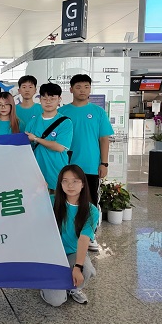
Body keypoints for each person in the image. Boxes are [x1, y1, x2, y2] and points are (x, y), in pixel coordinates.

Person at [60, 74, 114, 252]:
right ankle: (68, 235)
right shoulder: (63, 112)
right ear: (71, 89)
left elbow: (104, 139)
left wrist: (104, 163)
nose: (82, 90)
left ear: (90, 89)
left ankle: (90, 235)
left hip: (90, 165)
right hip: (68, 165)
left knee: (90, 202)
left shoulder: (98, 112)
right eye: (78, 87)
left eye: (86, 87)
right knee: (66, 200)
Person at [40, 165, 98, 306]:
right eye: (65, 181)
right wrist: (38, 192)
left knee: (86, 269)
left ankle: (73, 289)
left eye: (75, 181)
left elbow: (84, 239)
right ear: (60, 184)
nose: (70, 185)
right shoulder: (51, 201)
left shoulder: (91, 210)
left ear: (83, 184)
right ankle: (45, 285)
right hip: (51, 255)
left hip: (72, 253)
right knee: (56, 301)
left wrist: (77, 267)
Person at [25, 83, 73, 192]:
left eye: (52, 98)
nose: (48, 102)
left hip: (57, 174)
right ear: (40, 100)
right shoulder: (32, 122)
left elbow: (59, 147)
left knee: (57, 202)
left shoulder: (65, 122)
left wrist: (36, 139)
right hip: (36, 175)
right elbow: (26, 149)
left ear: (59, 99)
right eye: (44, 98)